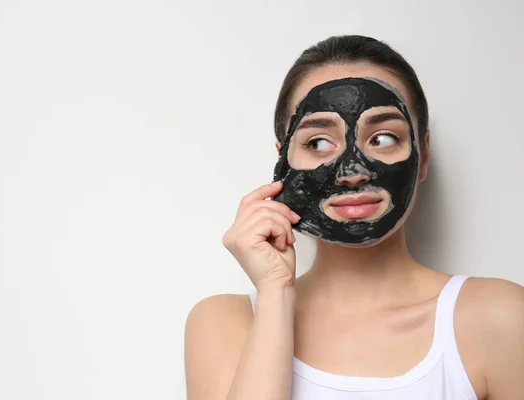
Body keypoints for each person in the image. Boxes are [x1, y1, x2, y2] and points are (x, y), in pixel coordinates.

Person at [184, 35, 524, 400]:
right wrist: (276, 296)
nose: (352, 171)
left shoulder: (498, 318)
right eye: (317, 143)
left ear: (422, 155)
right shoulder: (224, 324)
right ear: (283, 162)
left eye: (382, 138)